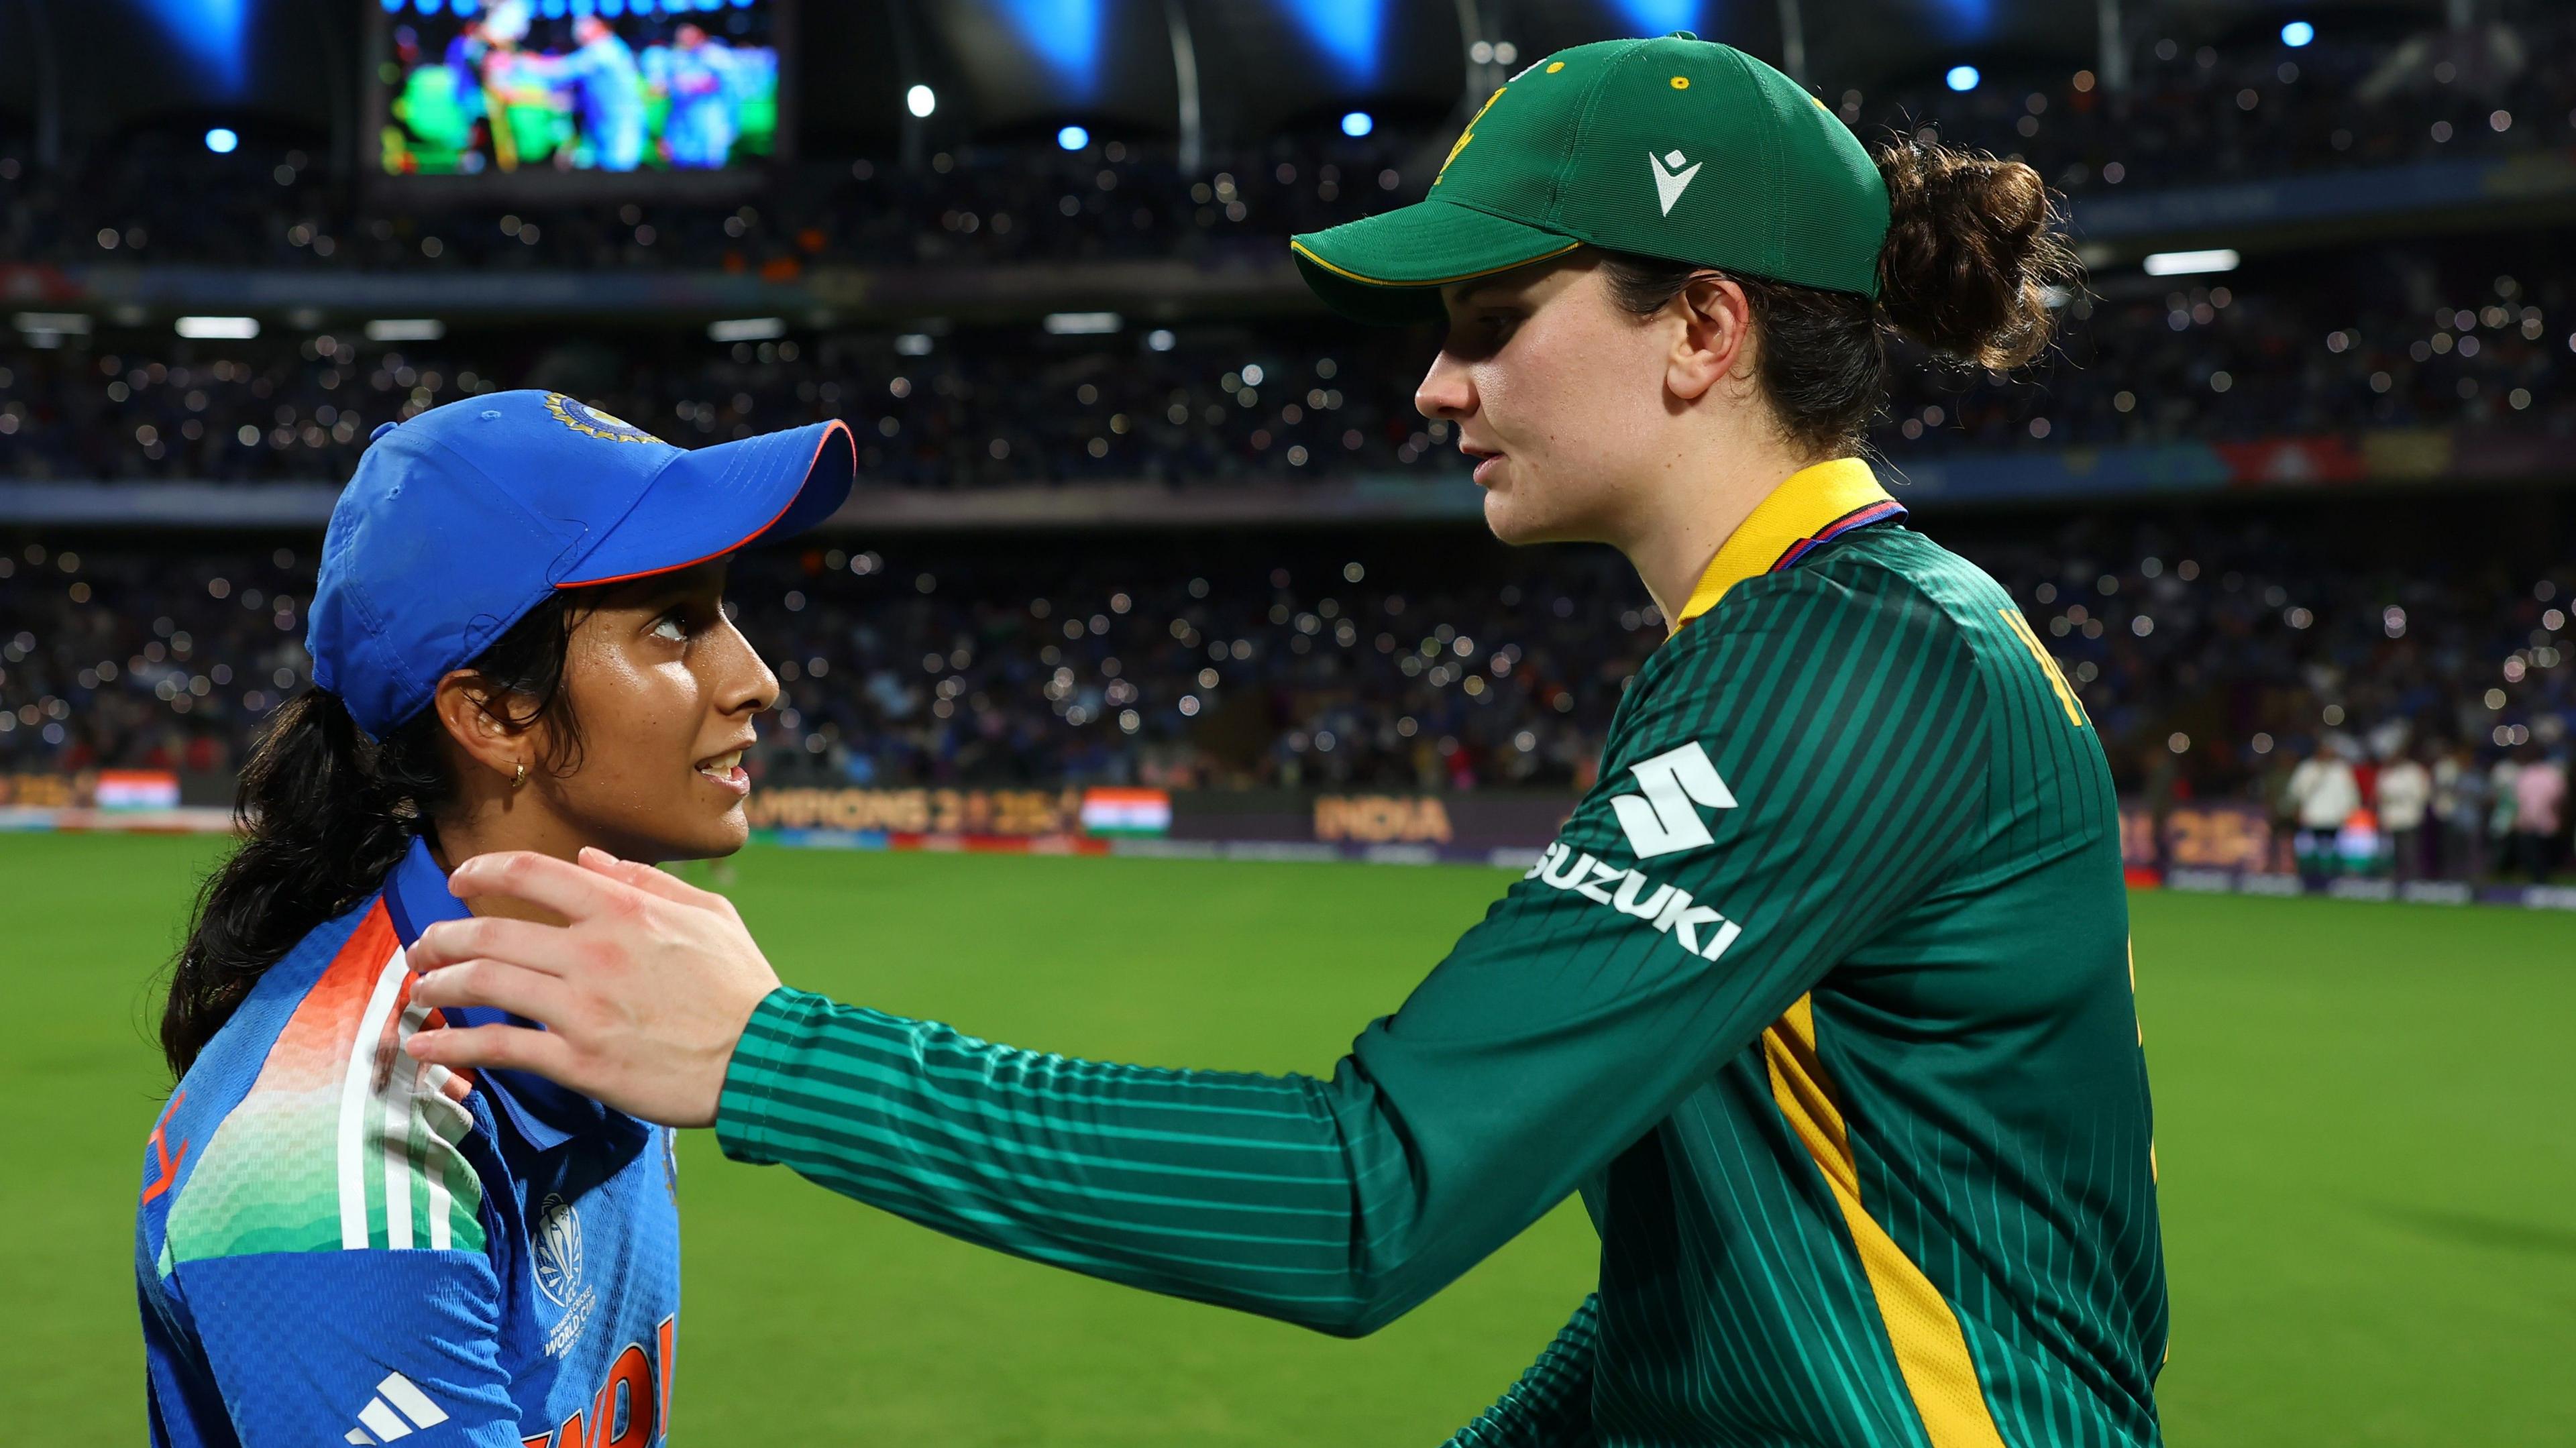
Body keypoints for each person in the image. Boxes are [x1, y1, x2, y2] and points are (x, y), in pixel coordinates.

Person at [405, 36, 2167, 1445]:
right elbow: (1721, 1260)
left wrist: (777, 1053)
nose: (1436, 383)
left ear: (1703, 328)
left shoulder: (1848, 670)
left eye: (1492, 323)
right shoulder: (1805, 644)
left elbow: (1366, 1193)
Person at [135, 392, 853, 1447]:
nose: (755, 678)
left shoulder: (603, 994)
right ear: (492, 713)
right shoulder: (337, 1156)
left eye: (725, 612)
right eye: (673, 625)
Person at [2286, 737, 2361, 887]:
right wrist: (2298, 810)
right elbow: (2295, 792)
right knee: (2309, 851)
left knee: (2331, 851)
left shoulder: (2340, 770)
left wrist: (2348, 813)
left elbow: (2351, 794)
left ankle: (2331, 880)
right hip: (2312, 817)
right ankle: (2309, 880)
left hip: (2334, 818)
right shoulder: (2307, 768)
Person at [2374, 740, 2432, 881]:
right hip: (2391, 819)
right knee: (2391, 854)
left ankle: (2412, 880)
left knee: (2409, 852)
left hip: (2409, 818)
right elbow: (2380, 795)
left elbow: (2422, 794)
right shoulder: (2386, 773)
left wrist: (2399, 796)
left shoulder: (2414, 771)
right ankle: (2393, 880)